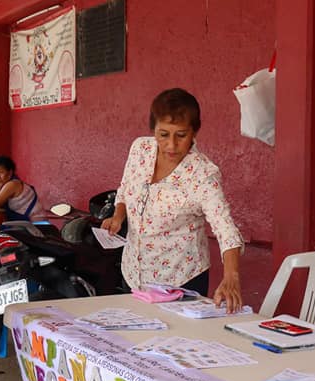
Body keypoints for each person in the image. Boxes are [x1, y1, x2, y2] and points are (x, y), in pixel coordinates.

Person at [100, 88, 245, 312]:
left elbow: (225, 229)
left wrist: (231, 277)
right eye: (163, 134)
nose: (171, 145)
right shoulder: (140, 149)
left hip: (180, 282)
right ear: (153, 130)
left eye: (181, 135)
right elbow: (126, 187)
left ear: (194, 132)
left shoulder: (203, 174)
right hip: (134, 273)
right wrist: (118, 216)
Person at [0, 155, 40, 228]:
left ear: (10, 173)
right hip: (27, 224)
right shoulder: (10, 183)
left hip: (35, 226)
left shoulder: (12, 184)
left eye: (1, 172)